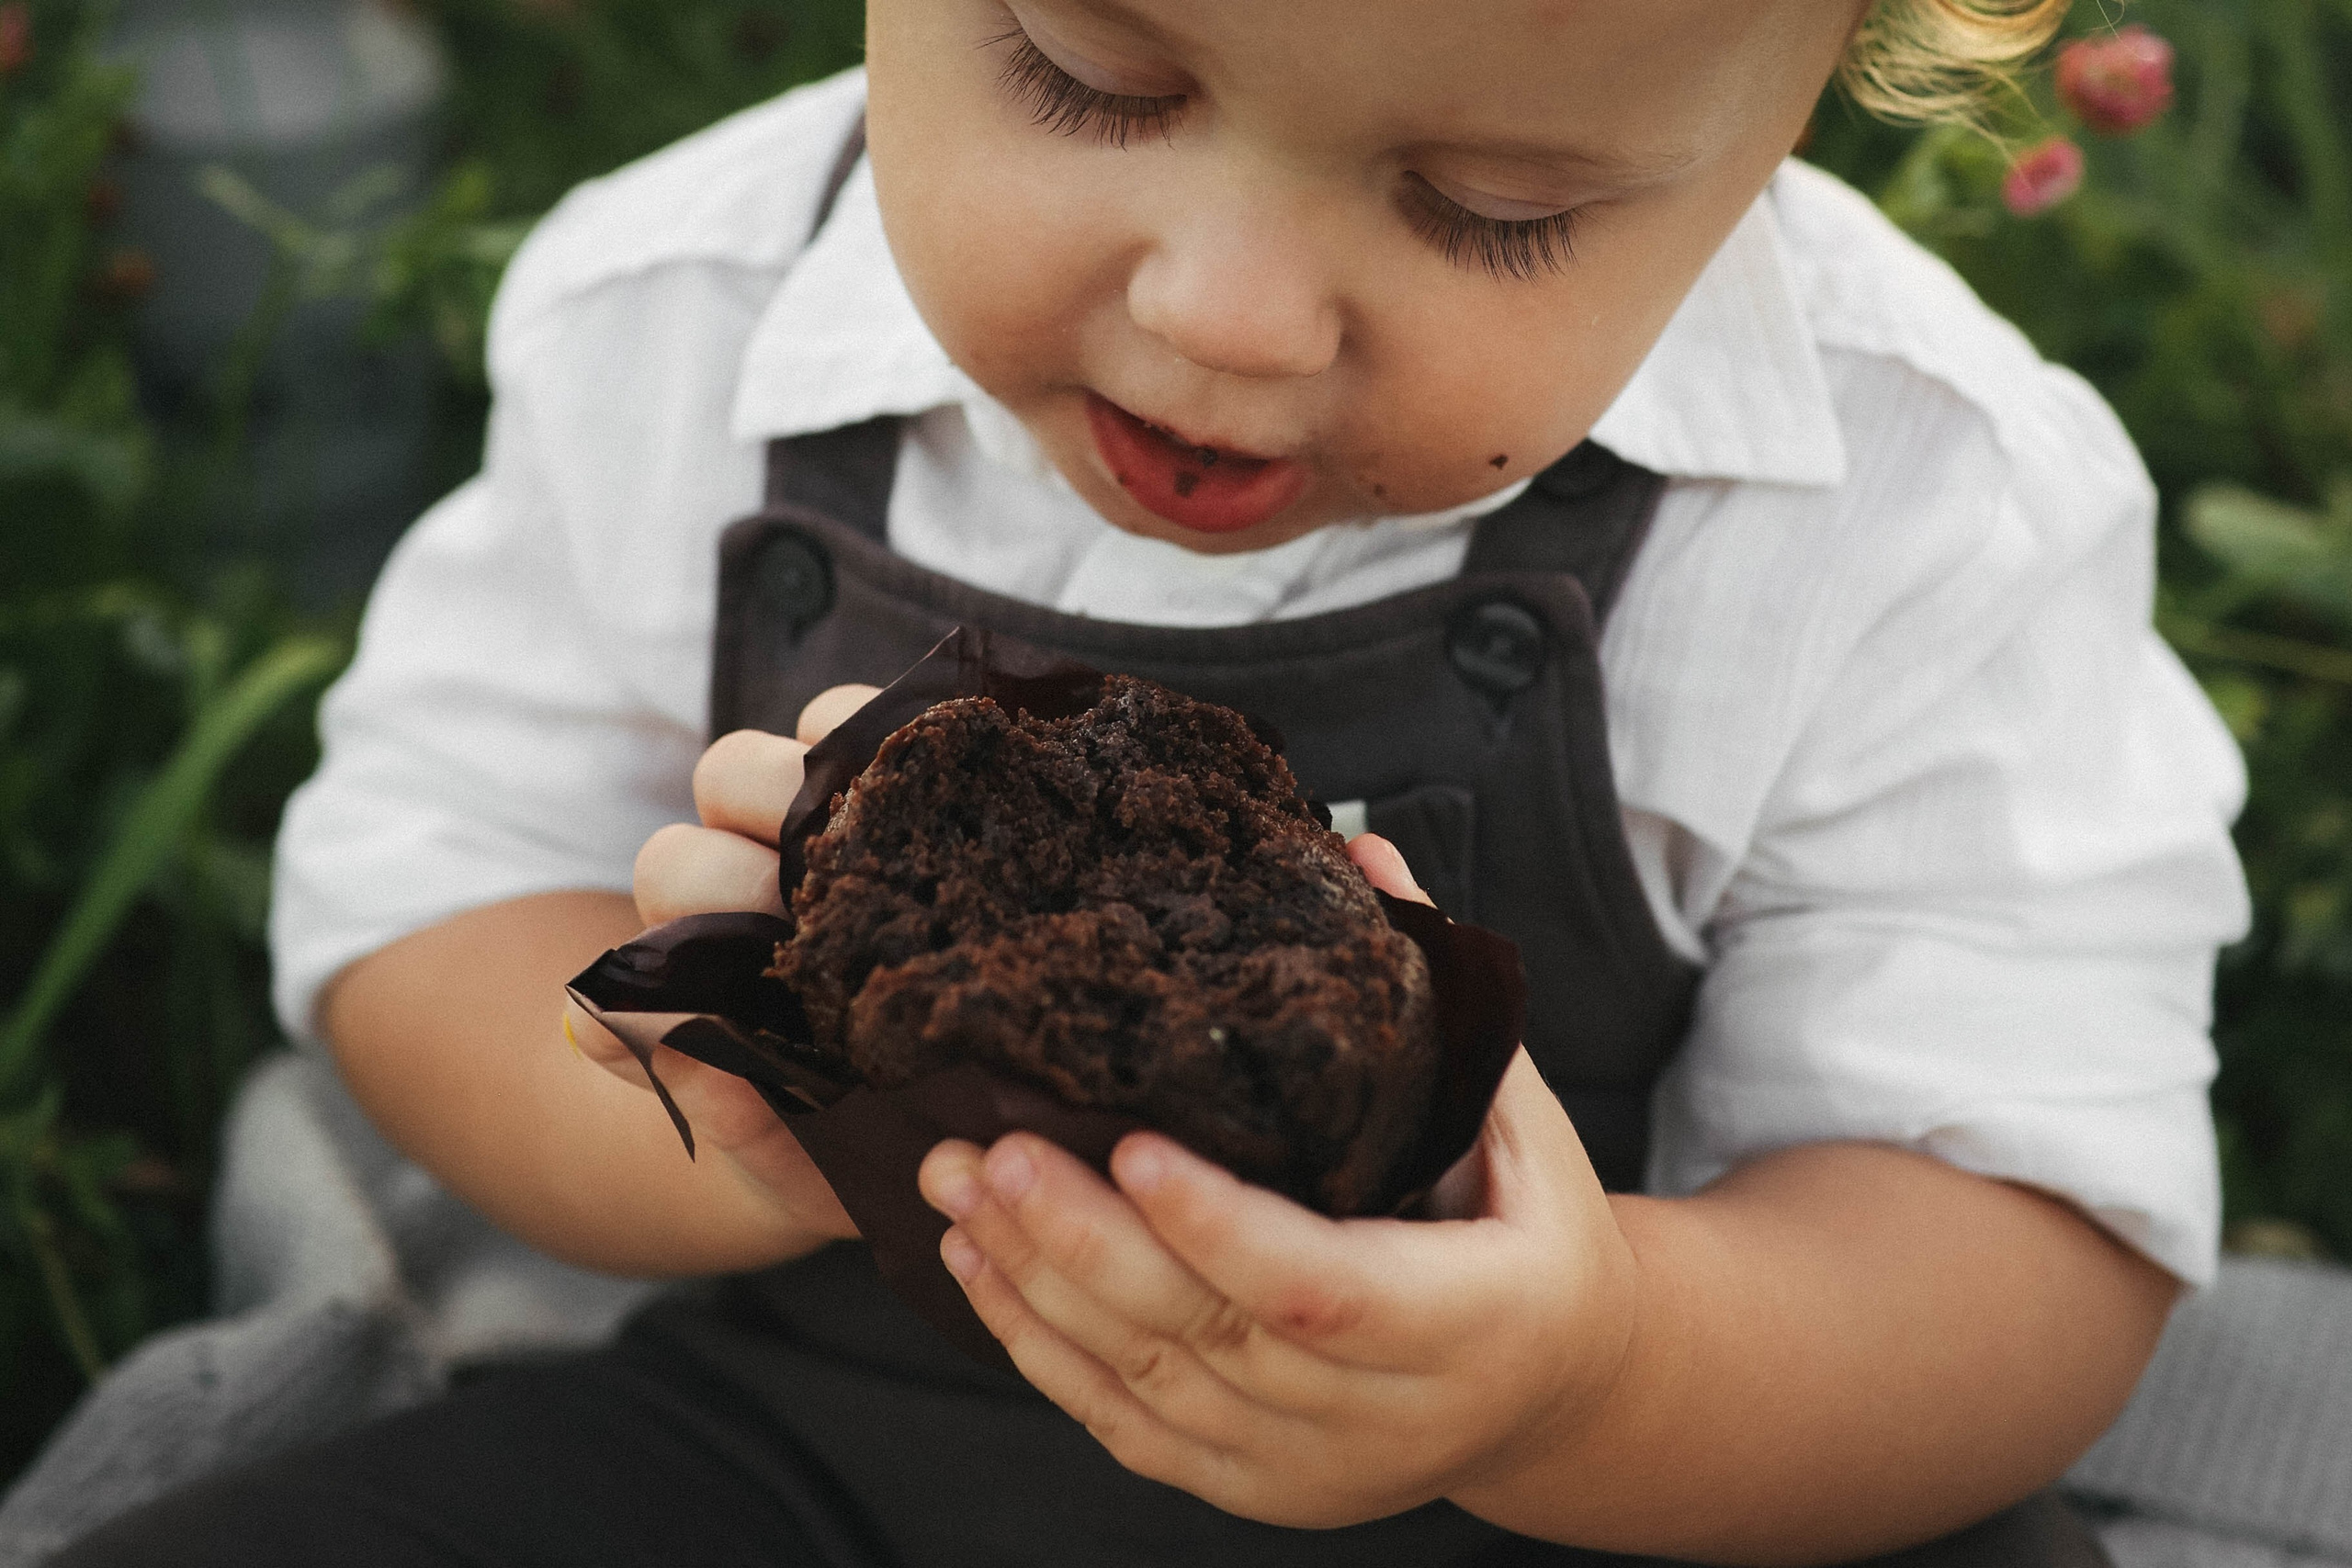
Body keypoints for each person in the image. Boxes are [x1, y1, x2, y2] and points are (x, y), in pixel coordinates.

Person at [55, 0, 2248, 1562]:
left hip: (1616, 1509)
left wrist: (1588, 1374)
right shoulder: (678, 320)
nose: (1222, 314)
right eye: (1086, 75)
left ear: (1807, 91)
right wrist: (709, 1127)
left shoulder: (1913, 508)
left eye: (1489, 206)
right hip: (826, 1453)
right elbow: (420, 902)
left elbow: (2020, 1235)